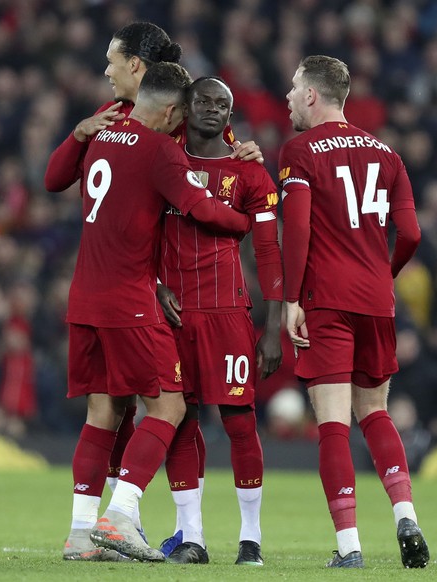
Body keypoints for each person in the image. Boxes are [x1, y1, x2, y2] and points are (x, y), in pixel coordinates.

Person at [45, 21, 260, 557]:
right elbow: (203, 207)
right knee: (168, 408)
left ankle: (79, 534)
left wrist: (78, 133)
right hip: (130, 299)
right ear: (171, 114)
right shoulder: (158, 147)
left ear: (137, 71)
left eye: (112, 62)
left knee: (104, 413)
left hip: (84, 296)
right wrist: (246, 216)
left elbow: (52, 180)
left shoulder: (105, 129)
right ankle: (120, 515)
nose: (107, 70)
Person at [279, 55, 428, 569]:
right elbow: (410, 235)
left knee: (333, 425)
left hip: (328, 300)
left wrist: (291, 298)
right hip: (375, 300)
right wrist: (384, 275)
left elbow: (296, 231)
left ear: (315, 96)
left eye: (295, 88)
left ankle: (350, 548)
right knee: (376, 411)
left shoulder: (299, 151)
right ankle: (406, 514)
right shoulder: (387, 154)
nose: (289, 97)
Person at [155, 77, 282, 566]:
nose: (211, 108)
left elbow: (268, 251)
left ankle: (250, 538)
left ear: (230, 116)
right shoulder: (161, 161)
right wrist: (154, 284)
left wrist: (271, 328)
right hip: (171, 315)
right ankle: (193, 537)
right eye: (203, 100)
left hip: (228, 315)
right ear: (185, 107)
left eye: (221, 104)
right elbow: (135, 230)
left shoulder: (248, 173)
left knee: (238, 422)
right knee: (180, 420)